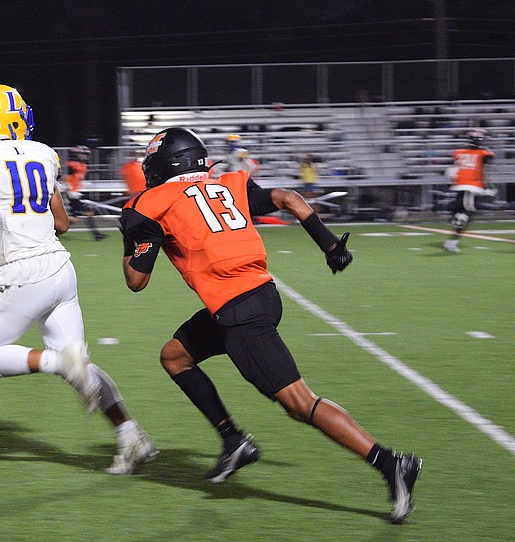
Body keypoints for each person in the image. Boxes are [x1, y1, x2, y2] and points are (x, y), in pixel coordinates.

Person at [119, 127, 422, 523]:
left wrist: (139, 243)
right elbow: (289, 199)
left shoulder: (151, 203)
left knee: (299, 403)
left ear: (162, 164)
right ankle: (234, 441)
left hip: (239, 311)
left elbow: (136, 281)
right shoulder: (228, 182)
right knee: (175, 357)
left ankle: (390, 463)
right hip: (259, 295)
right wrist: (329, 244)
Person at [0, 83, 156, 474]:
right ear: (7, 118)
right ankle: (131, 437)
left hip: (21, 274)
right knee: (83, 369)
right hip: (61, 269)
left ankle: (58, 362)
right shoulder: (43, 153)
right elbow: (62, 221)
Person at [443, 129, 495, 253]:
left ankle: (453, 231)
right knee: (468, 212)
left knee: (464, 213)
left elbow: (451, 169)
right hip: (471, 185)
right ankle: (452, 240)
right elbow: (484, 172)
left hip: (459, 185)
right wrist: (489, 186)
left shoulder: (459, 152)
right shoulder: (484, 154)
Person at [63, 145, 107, 241]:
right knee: (88, 212)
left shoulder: (81, 165)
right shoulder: (73, 165)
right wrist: (70, 188)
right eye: (83, 154)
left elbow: (77, 178)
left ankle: (54, 231)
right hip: (73, 194)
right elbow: (65, 177)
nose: (85, 156)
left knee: (74, 218)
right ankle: (96, 235)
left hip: (76, 193)